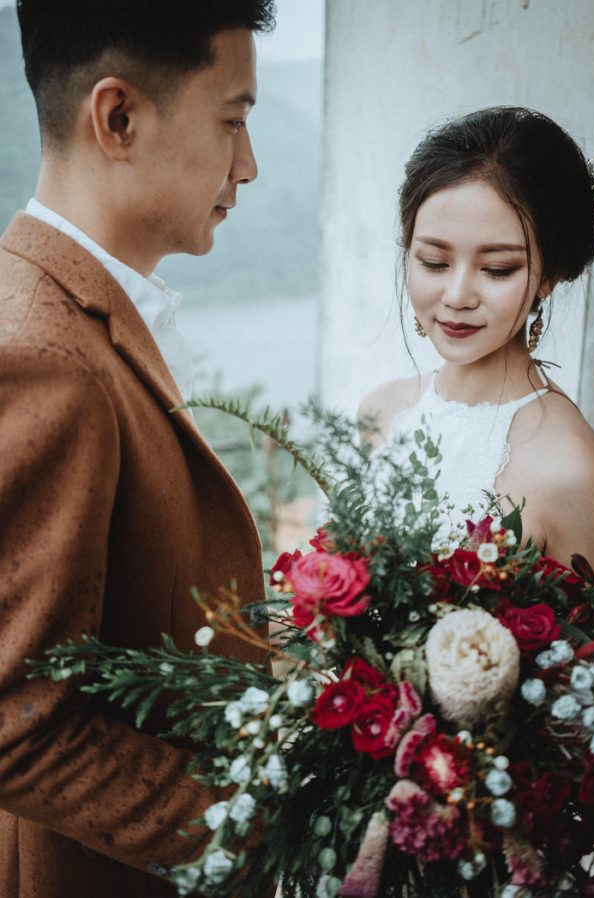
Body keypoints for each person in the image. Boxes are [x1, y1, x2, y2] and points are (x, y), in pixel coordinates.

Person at [0, 2, 276, 897]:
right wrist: (262, 821)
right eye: (232, 120)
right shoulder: (47, 357)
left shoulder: (74, 309)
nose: (248, 164)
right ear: (117, 117)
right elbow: (16, 720)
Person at [360, 107, 594, 574]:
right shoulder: (380, 413)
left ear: (548, 273)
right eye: (433, 262)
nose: (457, 296)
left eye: (497, 269)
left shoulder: (572, 469)